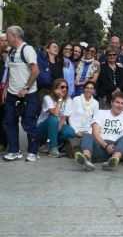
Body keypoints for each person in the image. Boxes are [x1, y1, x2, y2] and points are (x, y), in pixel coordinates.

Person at [3, 26, 40, 162]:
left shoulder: (27, 50)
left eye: (7, 36)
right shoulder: (12, 51)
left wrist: (26, 88)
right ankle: (14, 151)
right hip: (12, 94)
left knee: (29, 123)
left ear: (15, 36)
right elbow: (9, 73)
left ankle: (33, 151)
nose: (6, 39)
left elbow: (35, 71)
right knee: (10, 122)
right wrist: (6, 90)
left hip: (28, 94)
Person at [74, 92, 123, 171]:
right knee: (87, 135)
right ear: (112, 103)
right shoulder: (100, 113)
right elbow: (95, 133)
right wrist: (106, 146)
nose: (119, 105)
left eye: (122, 103)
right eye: (117, 102)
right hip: (100, 145)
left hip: (115, 149)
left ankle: (113, 160)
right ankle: (86, 159)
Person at [36, 79, 76, 158]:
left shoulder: (69, 100)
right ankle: (53, 149)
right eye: (62, 87)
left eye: (66, 87)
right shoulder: (47, 98)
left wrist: (53, 134)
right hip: (43, 128)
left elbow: (63, 118)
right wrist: (60, 99)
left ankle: (49, 144)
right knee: (53, 118)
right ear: (55, 88)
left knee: (70, 132)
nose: (65, 89)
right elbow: (55, 113)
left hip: (57, 126)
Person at [69, 81, 99, 156]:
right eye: (87, 88)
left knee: (89, 139)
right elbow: (70, 117)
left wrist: (89, 131)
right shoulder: (76, 99)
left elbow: (95, 120)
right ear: (84, 89)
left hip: (87, 131)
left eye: (91, 88)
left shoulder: (95, 103)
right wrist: (76, 131)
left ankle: (85, 154)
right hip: (75, 129)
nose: (89, 90)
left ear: (94, 91)